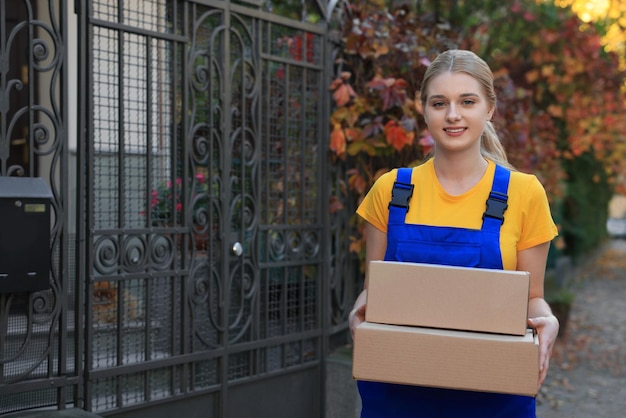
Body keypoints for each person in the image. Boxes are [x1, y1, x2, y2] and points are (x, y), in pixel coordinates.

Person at [349, 49, 560, 417]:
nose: (452, 115)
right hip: (397, 387)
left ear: (489, 109)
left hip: (494, 390)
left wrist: (549, 320)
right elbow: (376, 291)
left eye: (467, 101)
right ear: (423, 110)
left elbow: (532, 298)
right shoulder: (391, 191)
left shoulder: (523, 194)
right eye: (439, 102)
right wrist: (358, 313)